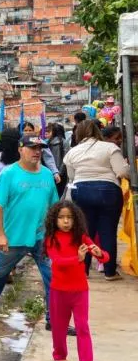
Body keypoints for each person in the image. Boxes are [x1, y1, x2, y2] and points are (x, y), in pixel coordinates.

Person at [0, 136, 65, 334]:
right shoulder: (9, 174)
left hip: (42, 236)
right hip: (14, 236)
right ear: (20, 149)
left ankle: (54, 318)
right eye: (32, 147)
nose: (36, 151)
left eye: (40, 148)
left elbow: (54, 206)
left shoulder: (46, 174)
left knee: (53, 277)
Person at [44, 201, 108, 361]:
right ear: (54, 220)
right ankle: (59, 355)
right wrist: (78, 258)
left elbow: (105, 256)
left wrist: (99, 253)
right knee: (59, 325)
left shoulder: (80, 236)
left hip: (80, 291)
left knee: (82, 327)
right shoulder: (51, 239)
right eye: (62, 217)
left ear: (75, 220)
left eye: (70, 218)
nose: (66, 221)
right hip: (59, 290)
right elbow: (58, 261)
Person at [62, 120, 129, 281]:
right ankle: (109, 271)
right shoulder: (110, 148)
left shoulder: (72, 152)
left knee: (85, 233)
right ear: (99, 132)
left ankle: (83, 270)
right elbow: (121, 171)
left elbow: (71, 177)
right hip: (108, 191)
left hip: (82, 191)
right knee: (108, 231)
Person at [47, 123, 68, 199]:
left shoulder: (48, 142)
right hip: (62, 173)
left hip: (50, 172)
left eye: (50, 131)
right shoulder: (64, 142)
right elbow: (65, 159)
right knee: (60, 193)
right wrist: (60, 172)